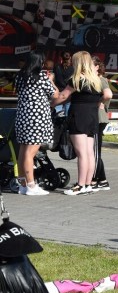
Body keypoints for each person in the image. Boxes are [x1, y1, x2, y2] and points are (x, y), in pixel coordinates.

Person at [52, 51, 112, 196]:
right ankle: (87, 184)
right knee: (89, 152)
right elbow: (107, 95)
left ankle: (79, 185)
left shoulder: (77, 79)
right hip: (92, 117)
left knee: (81, 153)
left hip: (78, 116)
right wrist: (98, 103)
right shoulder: (97, 80)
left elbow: (63, 96)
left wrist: (51, 105)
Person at [12, 51, 57, 195]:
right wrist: (51, 80)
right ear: (40, 63)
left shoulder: (20, 76)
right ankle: (31, 185)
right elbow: (55, 94)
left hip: (23, 117)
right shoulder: (41, 77)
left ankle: (23, 184)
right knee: (30, 153)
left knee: (23, 151)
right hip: (36, 119)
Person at [91, 57, 113, 191]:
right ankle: (102, 179)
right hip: (97, 117)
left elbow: (108, 95)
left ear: (97, 67)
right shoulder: (94, 80)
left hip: (99, 118)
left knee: (94, 151)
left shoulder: (101, 79)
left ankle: (94, 179)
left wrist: (99, 102)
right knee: (95, 150)